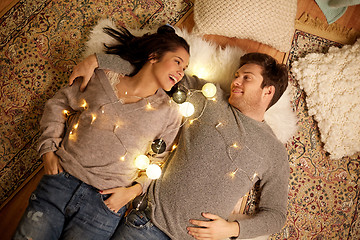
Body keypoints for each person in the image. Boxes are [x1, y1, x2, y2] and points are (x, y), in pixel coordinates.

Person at [69, 51, 290, 240]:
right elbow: (151, 72)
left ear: (268, 91)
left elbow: (276, 215)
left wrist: (232, 229)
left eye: (247, 78)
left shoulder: (274, 151)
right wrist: (97, 60)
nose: (236, 82)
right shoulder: (207, 97)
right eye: (236, 75)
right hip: (146, 225)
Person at [13, 25, 190, 240]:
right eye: (178, 62)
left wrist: (132, 192)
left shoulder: (169, 113)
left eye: (185, 68)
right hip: (59, 184)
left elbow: (159, 161)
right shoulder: (101, 77)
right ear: (153, 56)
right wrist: (48, 150)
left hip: (103, 207)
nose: (181, 72)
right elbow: (58, 104)